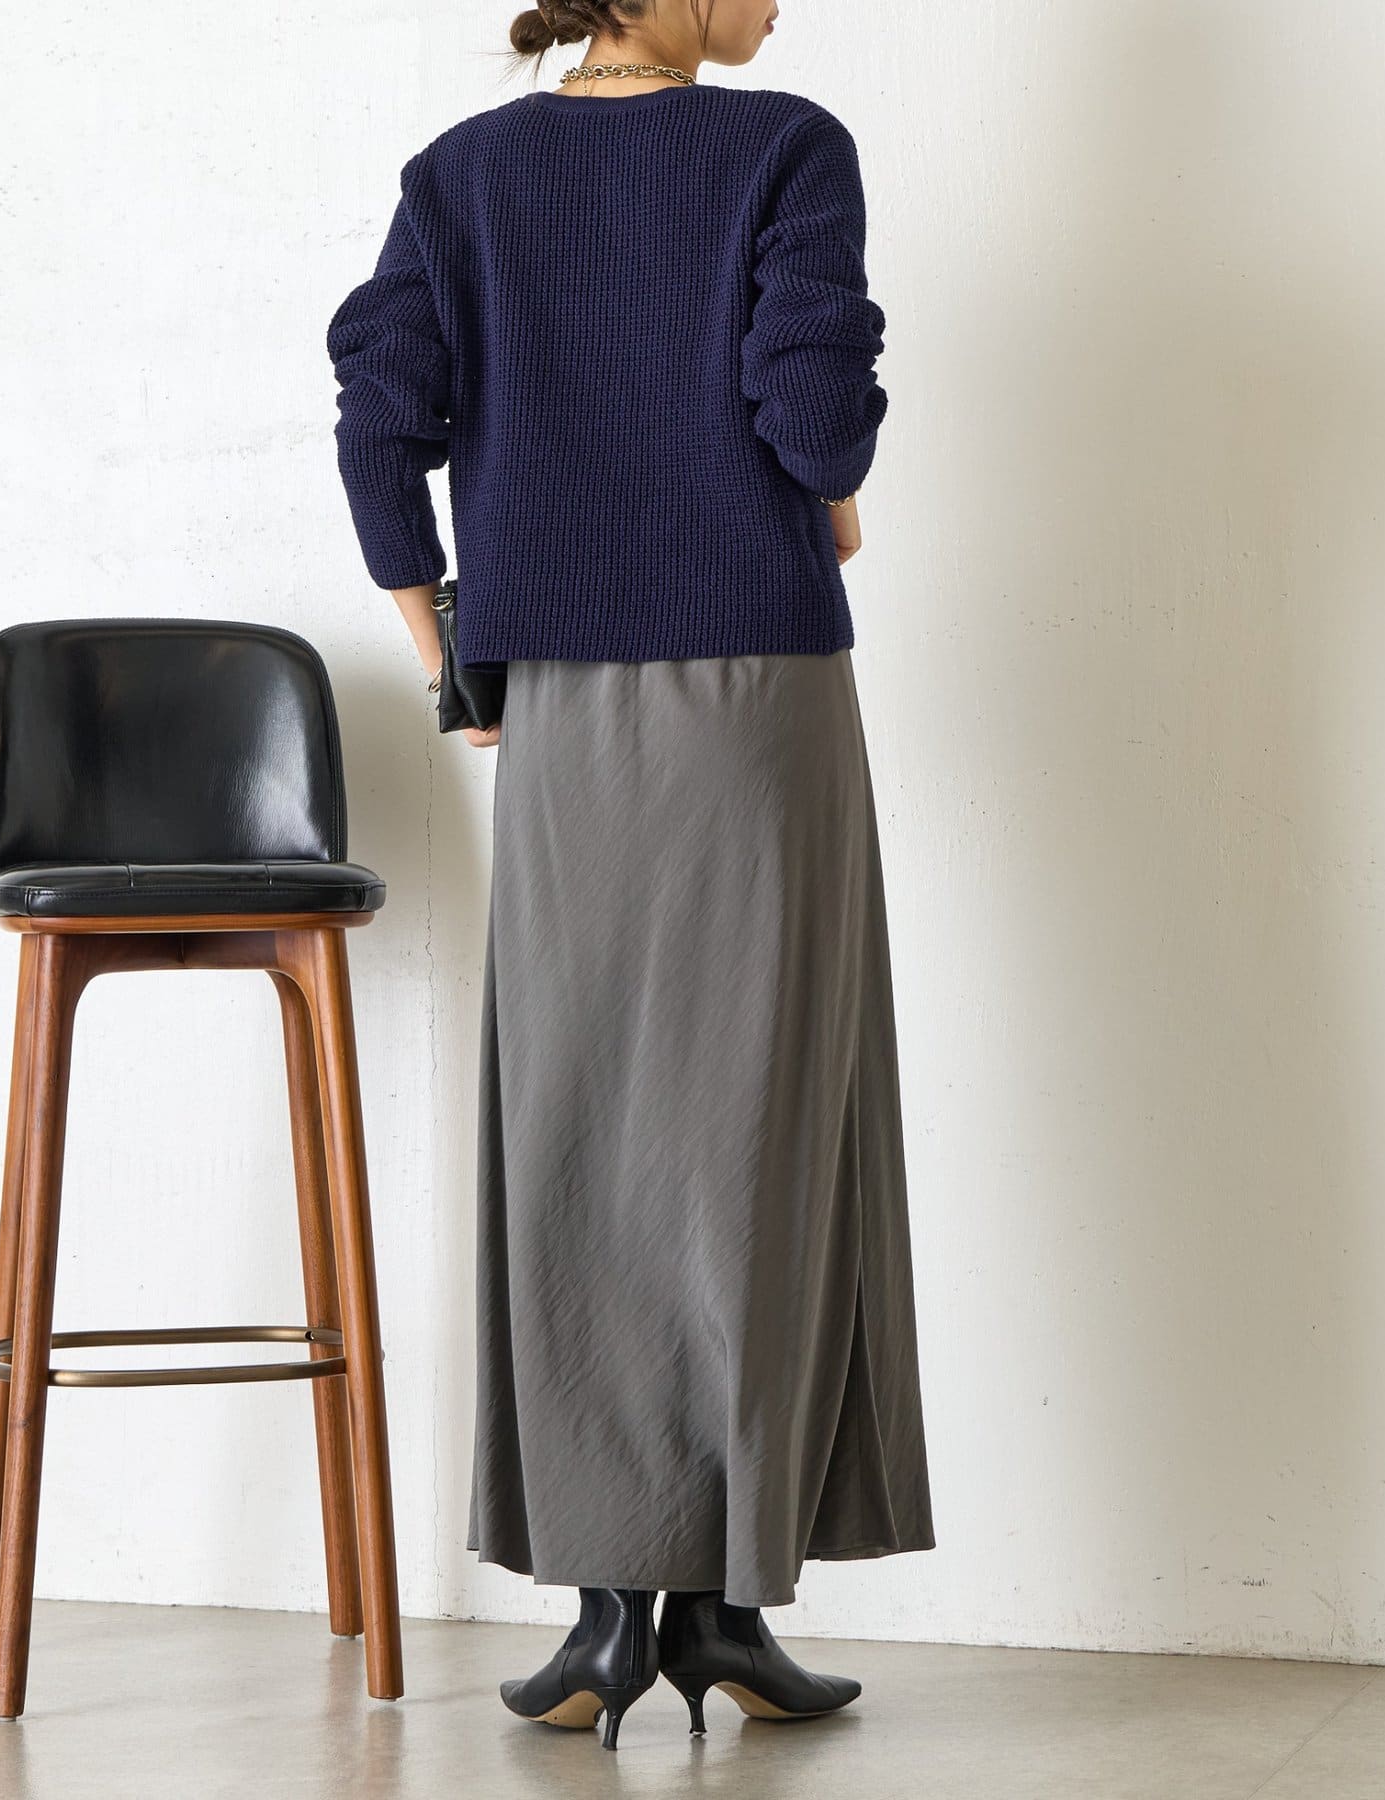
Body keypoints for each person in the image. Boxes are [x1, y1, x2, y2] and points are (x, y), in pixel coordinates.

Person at [325, 0, 935, 1752]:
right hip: (762, 698)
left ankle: (605, 1616)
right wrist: (833, 502)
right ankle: (728, 1607)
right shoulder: (782, 147)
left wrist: (451, 656)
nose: (780, 2)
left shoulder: (463, 176)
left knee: (579, 1121)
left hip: (561, 710)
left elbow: (382, 423)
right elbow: (816, 427)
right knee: (763, 1129)